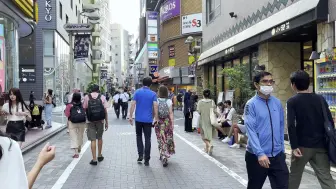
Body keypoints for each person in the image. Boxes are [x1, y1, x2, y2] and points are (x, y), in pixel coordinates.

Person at [287, 70, 335, 189]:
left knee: (294, 177)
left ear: (293, 85)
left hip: (301, 147)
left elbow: (291, 125)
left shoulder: (292, 101)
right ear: (308, 83)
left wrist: (294, 146)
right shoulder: (320, 99)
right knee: (326, 177)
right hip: (321, 146)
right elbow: (330, 121)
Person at [244, 71, 288, 189]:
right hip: (257, 156)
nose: (269, 84)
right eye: (265, 81)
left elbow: (280, 126)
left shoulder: (277, 103)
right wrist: (260, 153)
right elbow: (251, 131)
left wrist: (282, 150)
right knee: (255, 186)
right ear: (256, 85)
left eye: (271, 81)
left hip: (277, 155)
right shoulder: (251, 104)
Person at [129, 77, 159, 166]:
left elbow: (133, 104)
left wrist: (130, 116)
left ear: (142, 83)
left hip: (138, 119)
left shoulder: (137, 92)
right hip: (148, 120)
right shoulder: (153, 94)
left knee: (138, 136)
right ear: (150, 84)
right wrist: (156, 118)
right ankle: (147, 159)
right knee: (147, 138)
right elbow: (155, 106)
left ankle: (140, 155)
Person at [83, 84, 109, 165]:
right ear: (98, 90)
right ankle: (99, 155)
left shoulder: (87, 97)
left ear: (91, 89)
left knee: (93, 140)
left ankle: (94, 159)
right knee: (100, 138)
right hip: (100, 121)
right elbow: (105, 111)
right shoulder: (102, 97)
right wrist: (106, 122)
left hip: (90, 121)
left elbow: (84, 108)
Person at [154, 85, 175, 167]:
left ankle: (162, 154)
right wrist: (172, 123)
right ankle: (165, 155)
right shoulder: (169, 101)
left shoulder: (156, 100)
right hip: (167, 122)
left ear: (159, 92)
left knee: (160, 138)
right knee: (167, 138)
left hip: (159, 122)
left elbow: (155, 112)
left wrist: (155, 120)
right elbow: (171, 113)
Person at [65, 92, 86, 158]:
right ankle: (79, 146)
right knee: (80, 135)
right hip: (82, 122)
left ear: (73, 97)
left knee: (74, 137)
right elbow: (84, 112)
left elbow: (67, 114)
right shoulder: (82, 104)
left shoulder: (69, 105)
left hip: (72, 122)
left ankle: (76, 152)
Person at [197, 89, 217, 155]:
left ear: (203, 94)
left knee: (203, 135)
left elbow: (199, 112)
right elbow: (215, 110)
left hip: (203, 120)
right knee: (209, 134)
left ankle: (209, 145)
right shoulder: (212, 101)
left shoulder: (200, 102)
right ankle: (207, 149)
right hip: (211, 120)